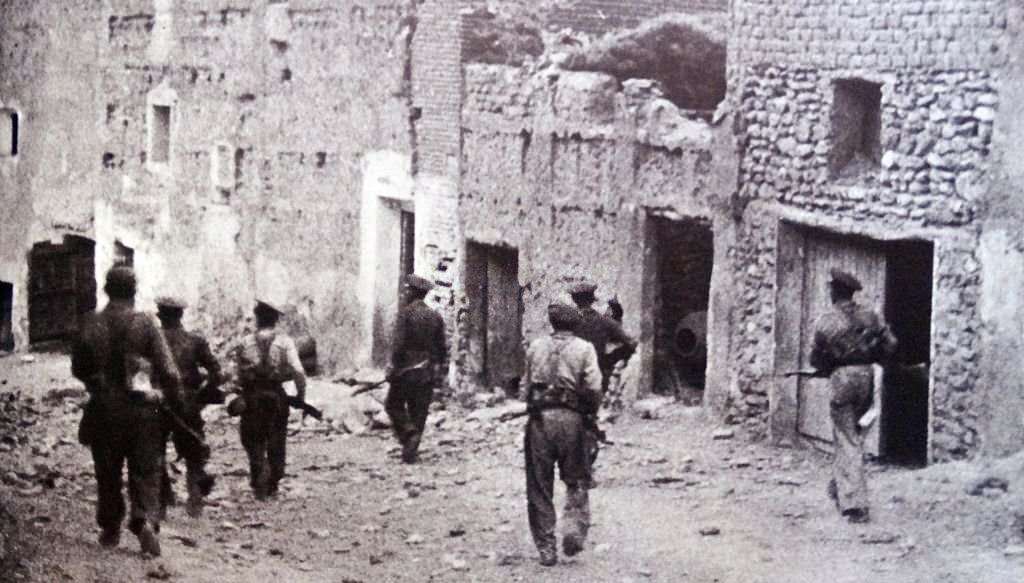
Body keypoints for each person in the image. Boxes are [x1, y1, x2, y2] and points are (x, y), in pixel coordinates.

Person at [71, 267, 183, 557]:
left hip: (103, 409)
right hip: (142, 410)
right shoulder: (145, 323)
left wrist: (96, 383)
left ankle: (110, 527)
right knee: (146, 469)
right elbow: (169, 371)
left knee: (107, 472)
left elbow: (78, 368)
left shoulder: (90, 322)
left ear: (106, 290)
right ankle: (144, 519)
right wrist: (171, 399)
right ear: (134, 291)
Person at [809, 269, 897, 524]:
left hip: (842, 379)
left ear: (835, 291)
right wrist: (874, 357)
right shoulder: (871, 317)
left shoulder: (825, 321)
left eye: (830, 289)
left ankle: (855, 505)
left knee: (847, 438)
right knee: (855, 433)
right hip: (867, 376)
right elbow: (891, 344)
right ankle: (840, 486)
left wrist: (828, 366)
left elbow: (815, 358)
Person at [520, 302, 603, 566]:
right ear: (575, 324)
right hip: (572, 421)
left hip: (540, 421)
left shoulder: (535, 347)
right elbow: (593, 387)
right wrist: (590, 415)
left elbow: (525, 387)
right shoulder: (585, 349)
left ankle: (546, 547)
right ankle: (574, 531)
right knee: (577, 478)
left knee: (539, 485)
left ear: (552, 322)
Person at [232, 299, 307, 500]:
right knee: (276, 438)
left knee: (252, 439)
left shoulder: (243, 342)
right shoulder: (285, 342)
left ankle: (259, 476)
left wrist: (238, 391)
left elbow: (236, 375)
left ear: (257, 318)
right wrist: (301, 396)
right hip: (276, 396)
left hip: (252, 396)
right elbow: (298, 371)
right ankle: (273, 480)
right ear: (275, 320)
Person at [155, 296, 222, 517]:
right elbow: (216, 372)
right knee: (194, 451)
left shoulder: (151, 341)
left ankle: (162, 501)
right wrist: (204, 394)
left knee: (155, 450)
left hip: (159, 402)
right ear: (181, 315)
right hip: (188, 402)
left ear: (160, 314)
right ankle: (194, 502)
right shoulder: (195, 341)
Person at [569, 281, 636, 484]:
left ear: (574, 300)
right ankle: (585, 470)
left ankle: (573, 470)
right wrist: (612, 359)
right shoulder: (604, 322)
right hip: (597, 377)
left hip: (571, 377)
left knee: (573, 420)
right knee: (589, 420)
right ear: (592, 299)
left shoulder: (568, 322)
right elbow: (631, 343)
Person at [386, 274, 447, 464]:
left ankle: (407, 433)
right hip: (426, 372)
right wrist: (437, 370)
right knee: (419, 411)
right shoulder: (435, 316)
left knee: (393, 405)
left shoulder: (405, 314)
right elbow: (442, 348)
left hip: (406, 370)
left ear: (413, 292)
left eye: (407, 290)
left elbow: (398, 345)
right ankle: (411, 450)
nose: (405, 293)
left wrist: (393, 368)